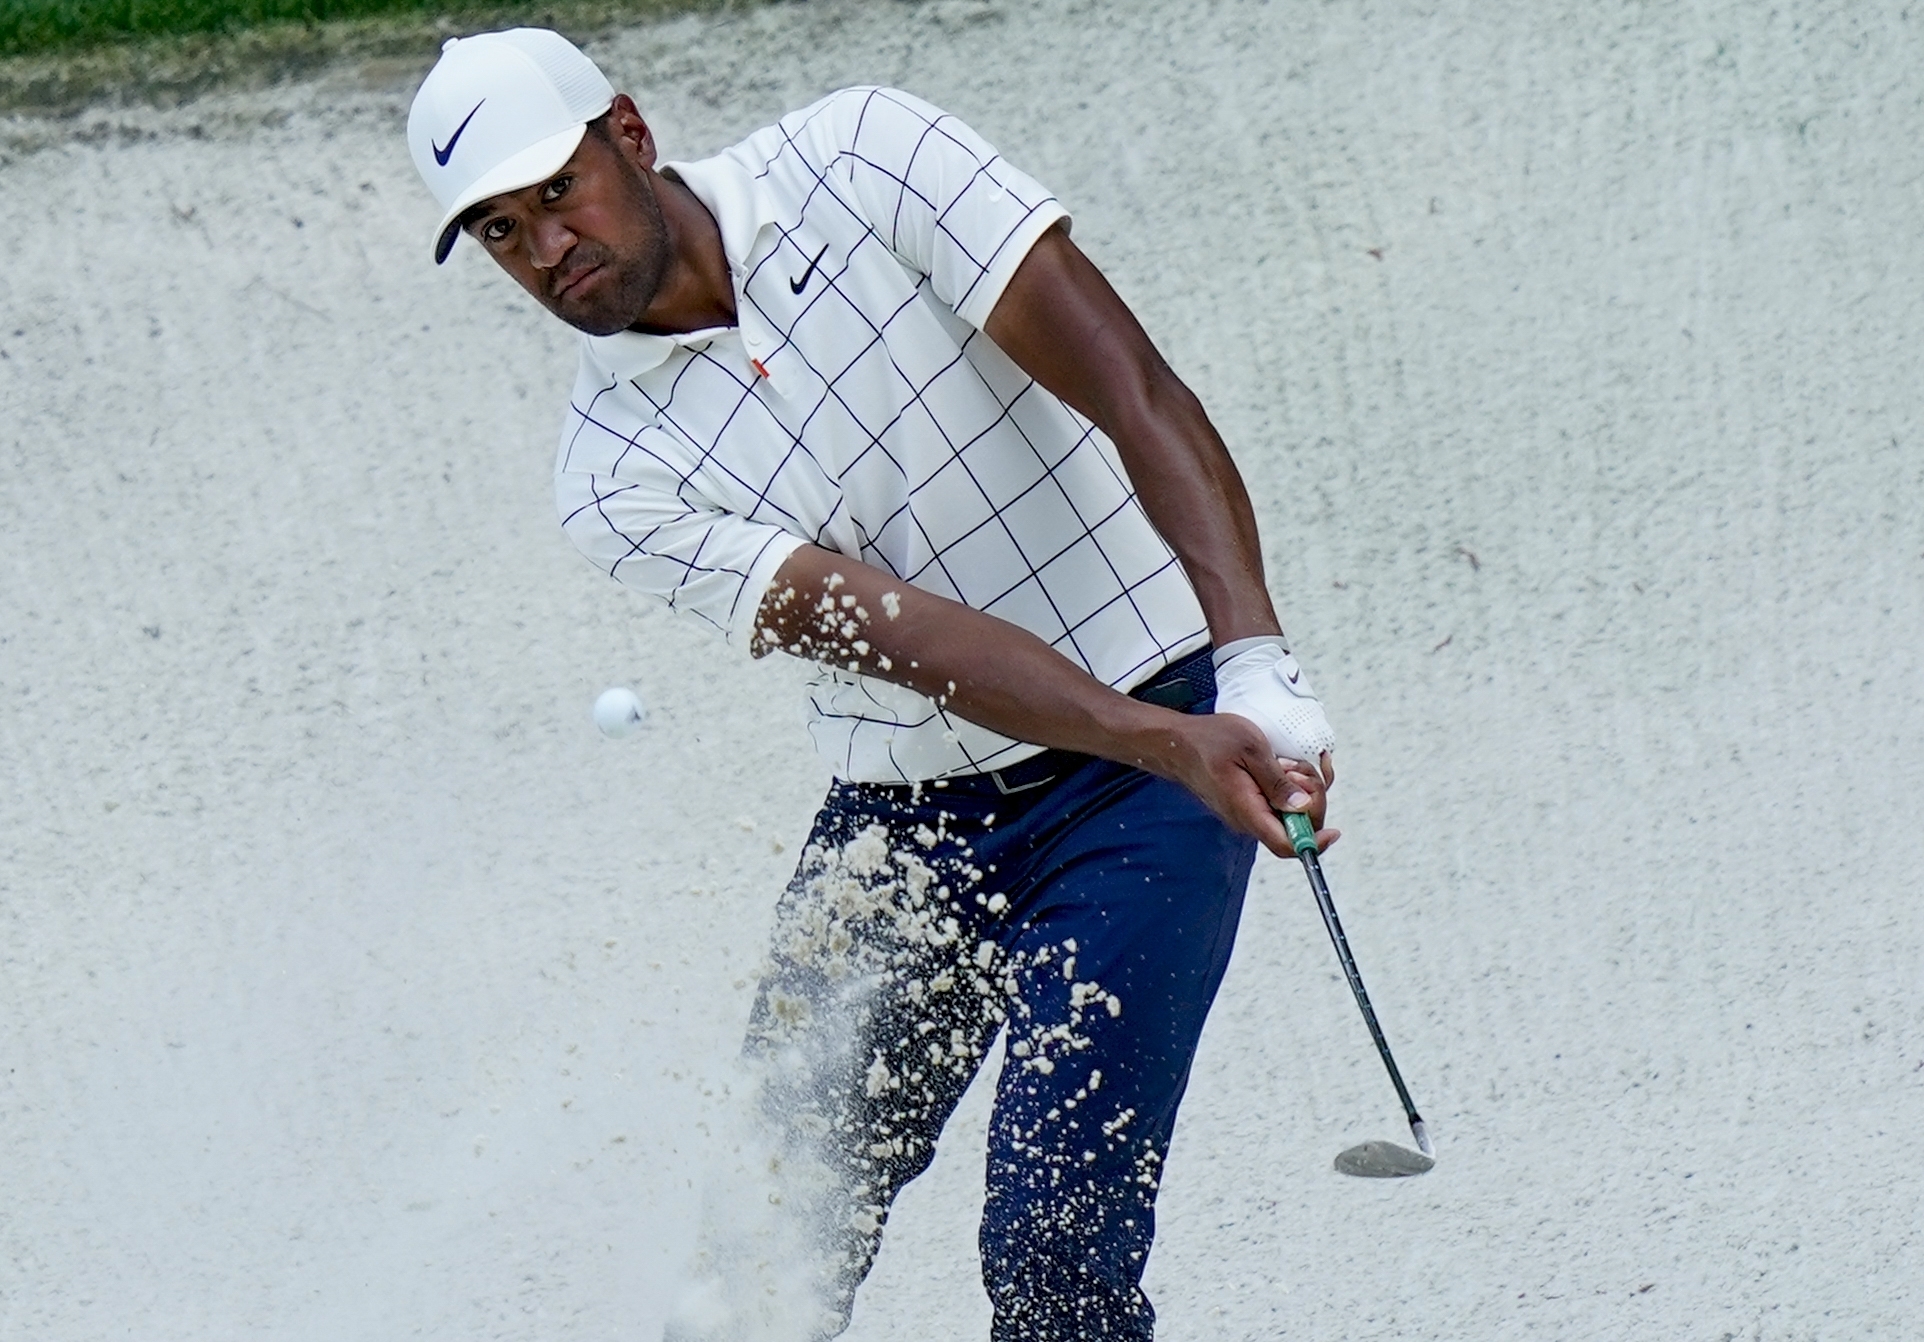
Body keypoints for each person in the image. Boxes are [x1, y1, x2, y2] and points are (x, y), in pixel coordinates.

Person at [407, 28, 1338, 1342]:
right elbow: (905, 635)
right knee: (759, 1256)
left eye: (557, 194)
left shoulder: (863, 157)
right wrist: (1165, 740)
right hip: (909, 823)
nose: (548, 249)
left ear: (628, 132)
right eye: (501, 233)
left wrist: (1250, 664)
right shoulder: (611, 475)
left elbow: (1131, 387)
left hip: (1152, 770)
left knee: (1054, 1242)